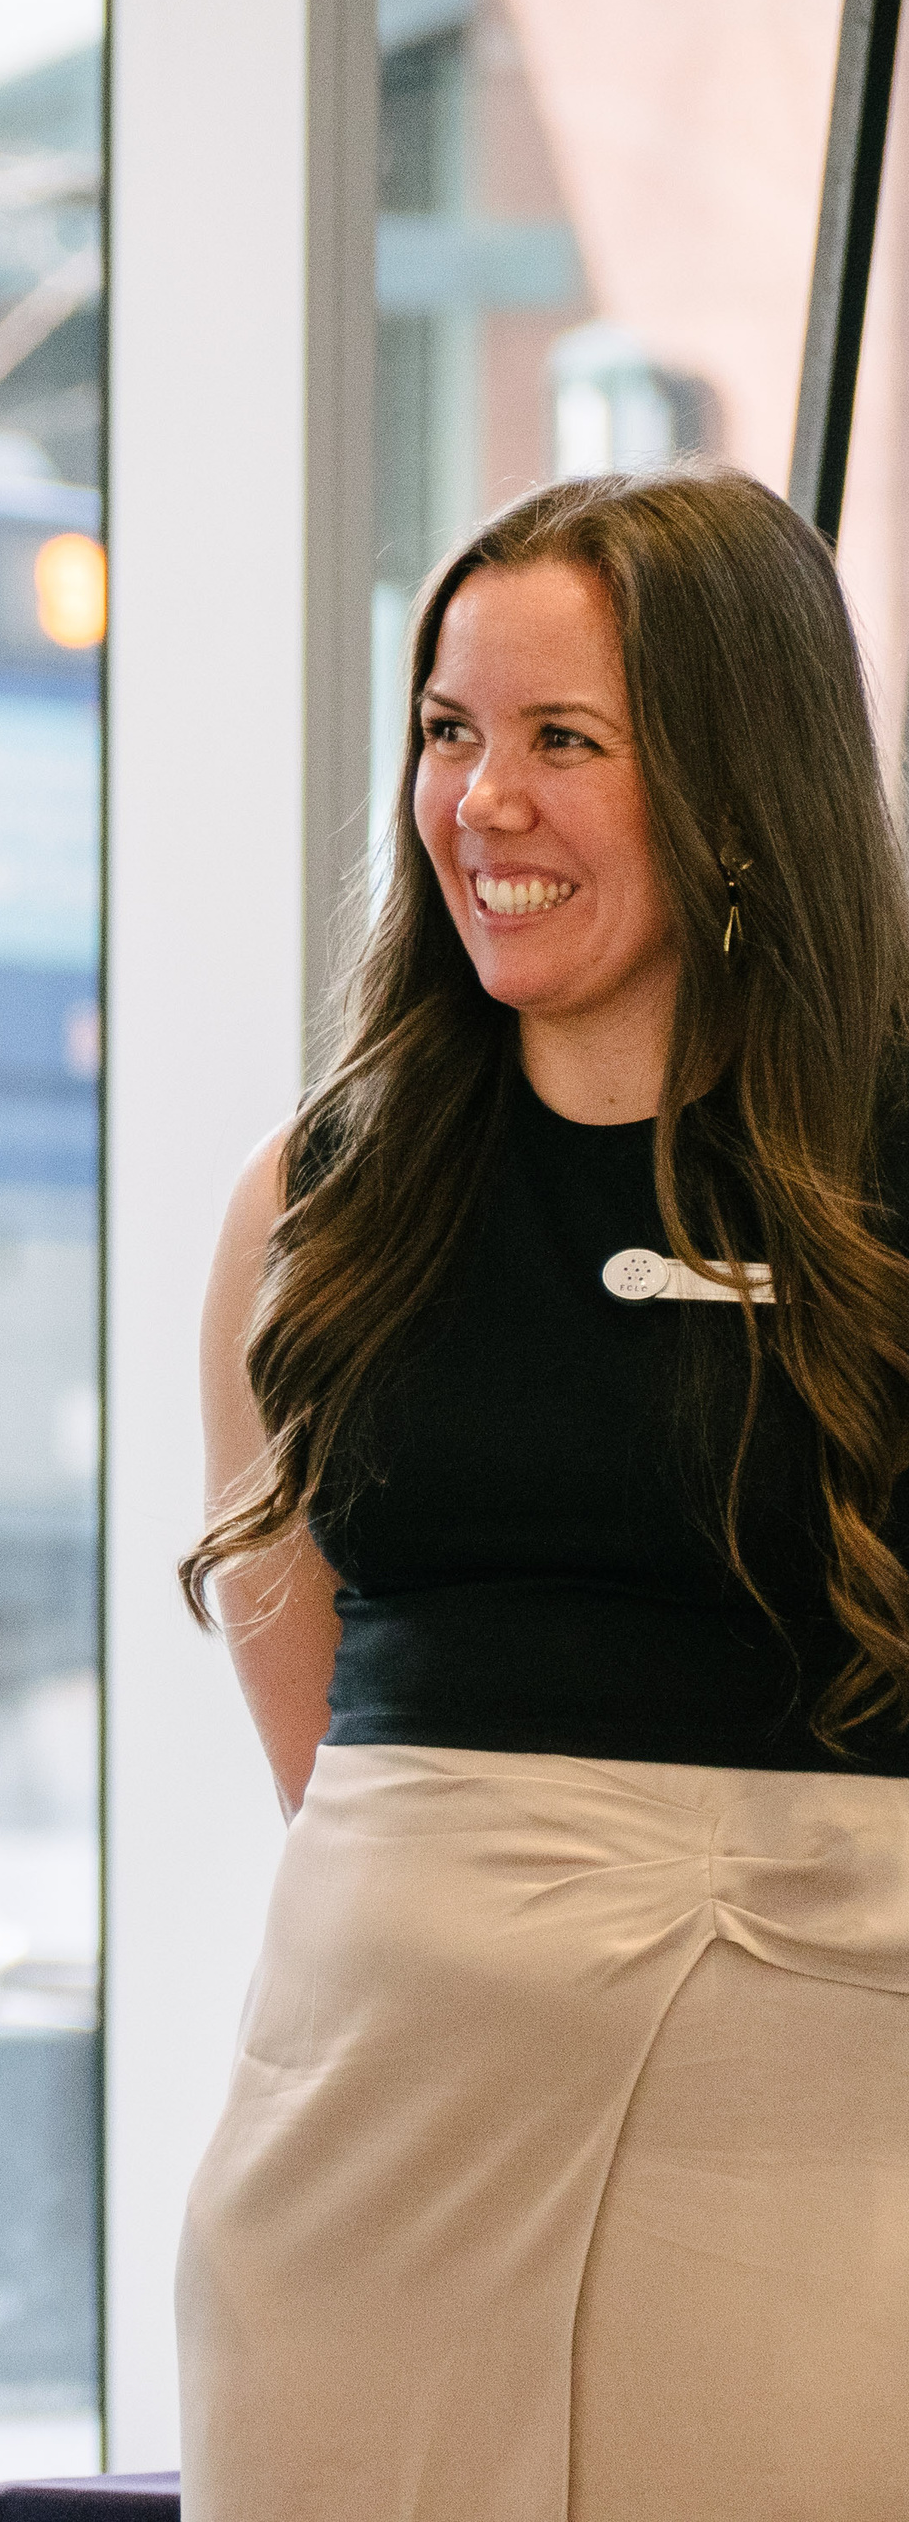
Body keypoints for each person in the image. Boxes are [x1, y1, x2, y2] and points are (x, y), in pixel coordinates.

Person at [173, 462, 909, 2520]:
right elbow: (312, 1717)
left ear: (734, 775)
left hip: (830, 2155)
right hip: (375, 2144)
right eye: (446, 729)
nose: (476, 799)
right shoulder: (318, 1197)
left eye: (557, 741)